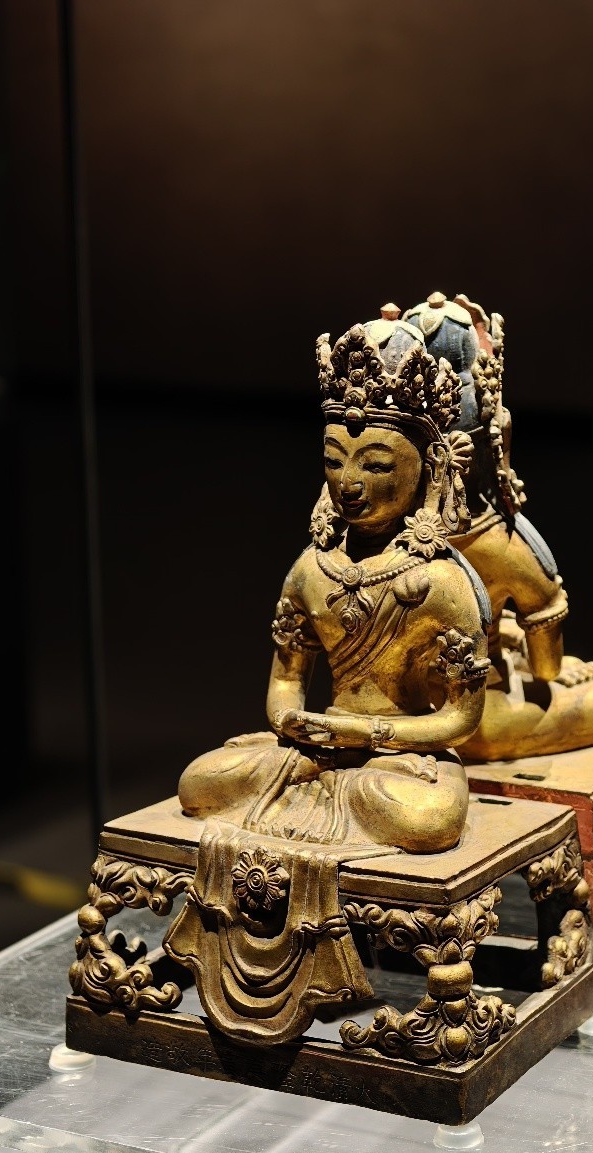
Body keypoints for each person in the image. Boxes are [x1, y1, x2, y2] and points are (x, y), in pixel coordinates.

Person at [178, 317, 490, 854]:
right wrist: (293, 722)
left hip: (399, 757)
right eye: (333, 461)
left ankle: (319, 805)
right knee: (201, 783)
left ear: (429, 468)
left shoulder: (445, 581)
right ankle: (325, 801)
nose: (349, 484)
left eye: (376, 465)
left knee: (426, 818)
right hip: (316, 749)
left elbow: (460, 719)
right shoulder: (311, 569)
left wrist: (367, 735)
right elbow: (286, 680)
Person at [403, 293, 593, 761]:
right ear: (497, 438)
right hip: (469, 716)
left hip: (385, 703)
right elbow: (545, 618)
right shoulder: (505, 544)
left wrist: (503, 635)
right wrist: (548, 670)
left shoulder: (377, 534)